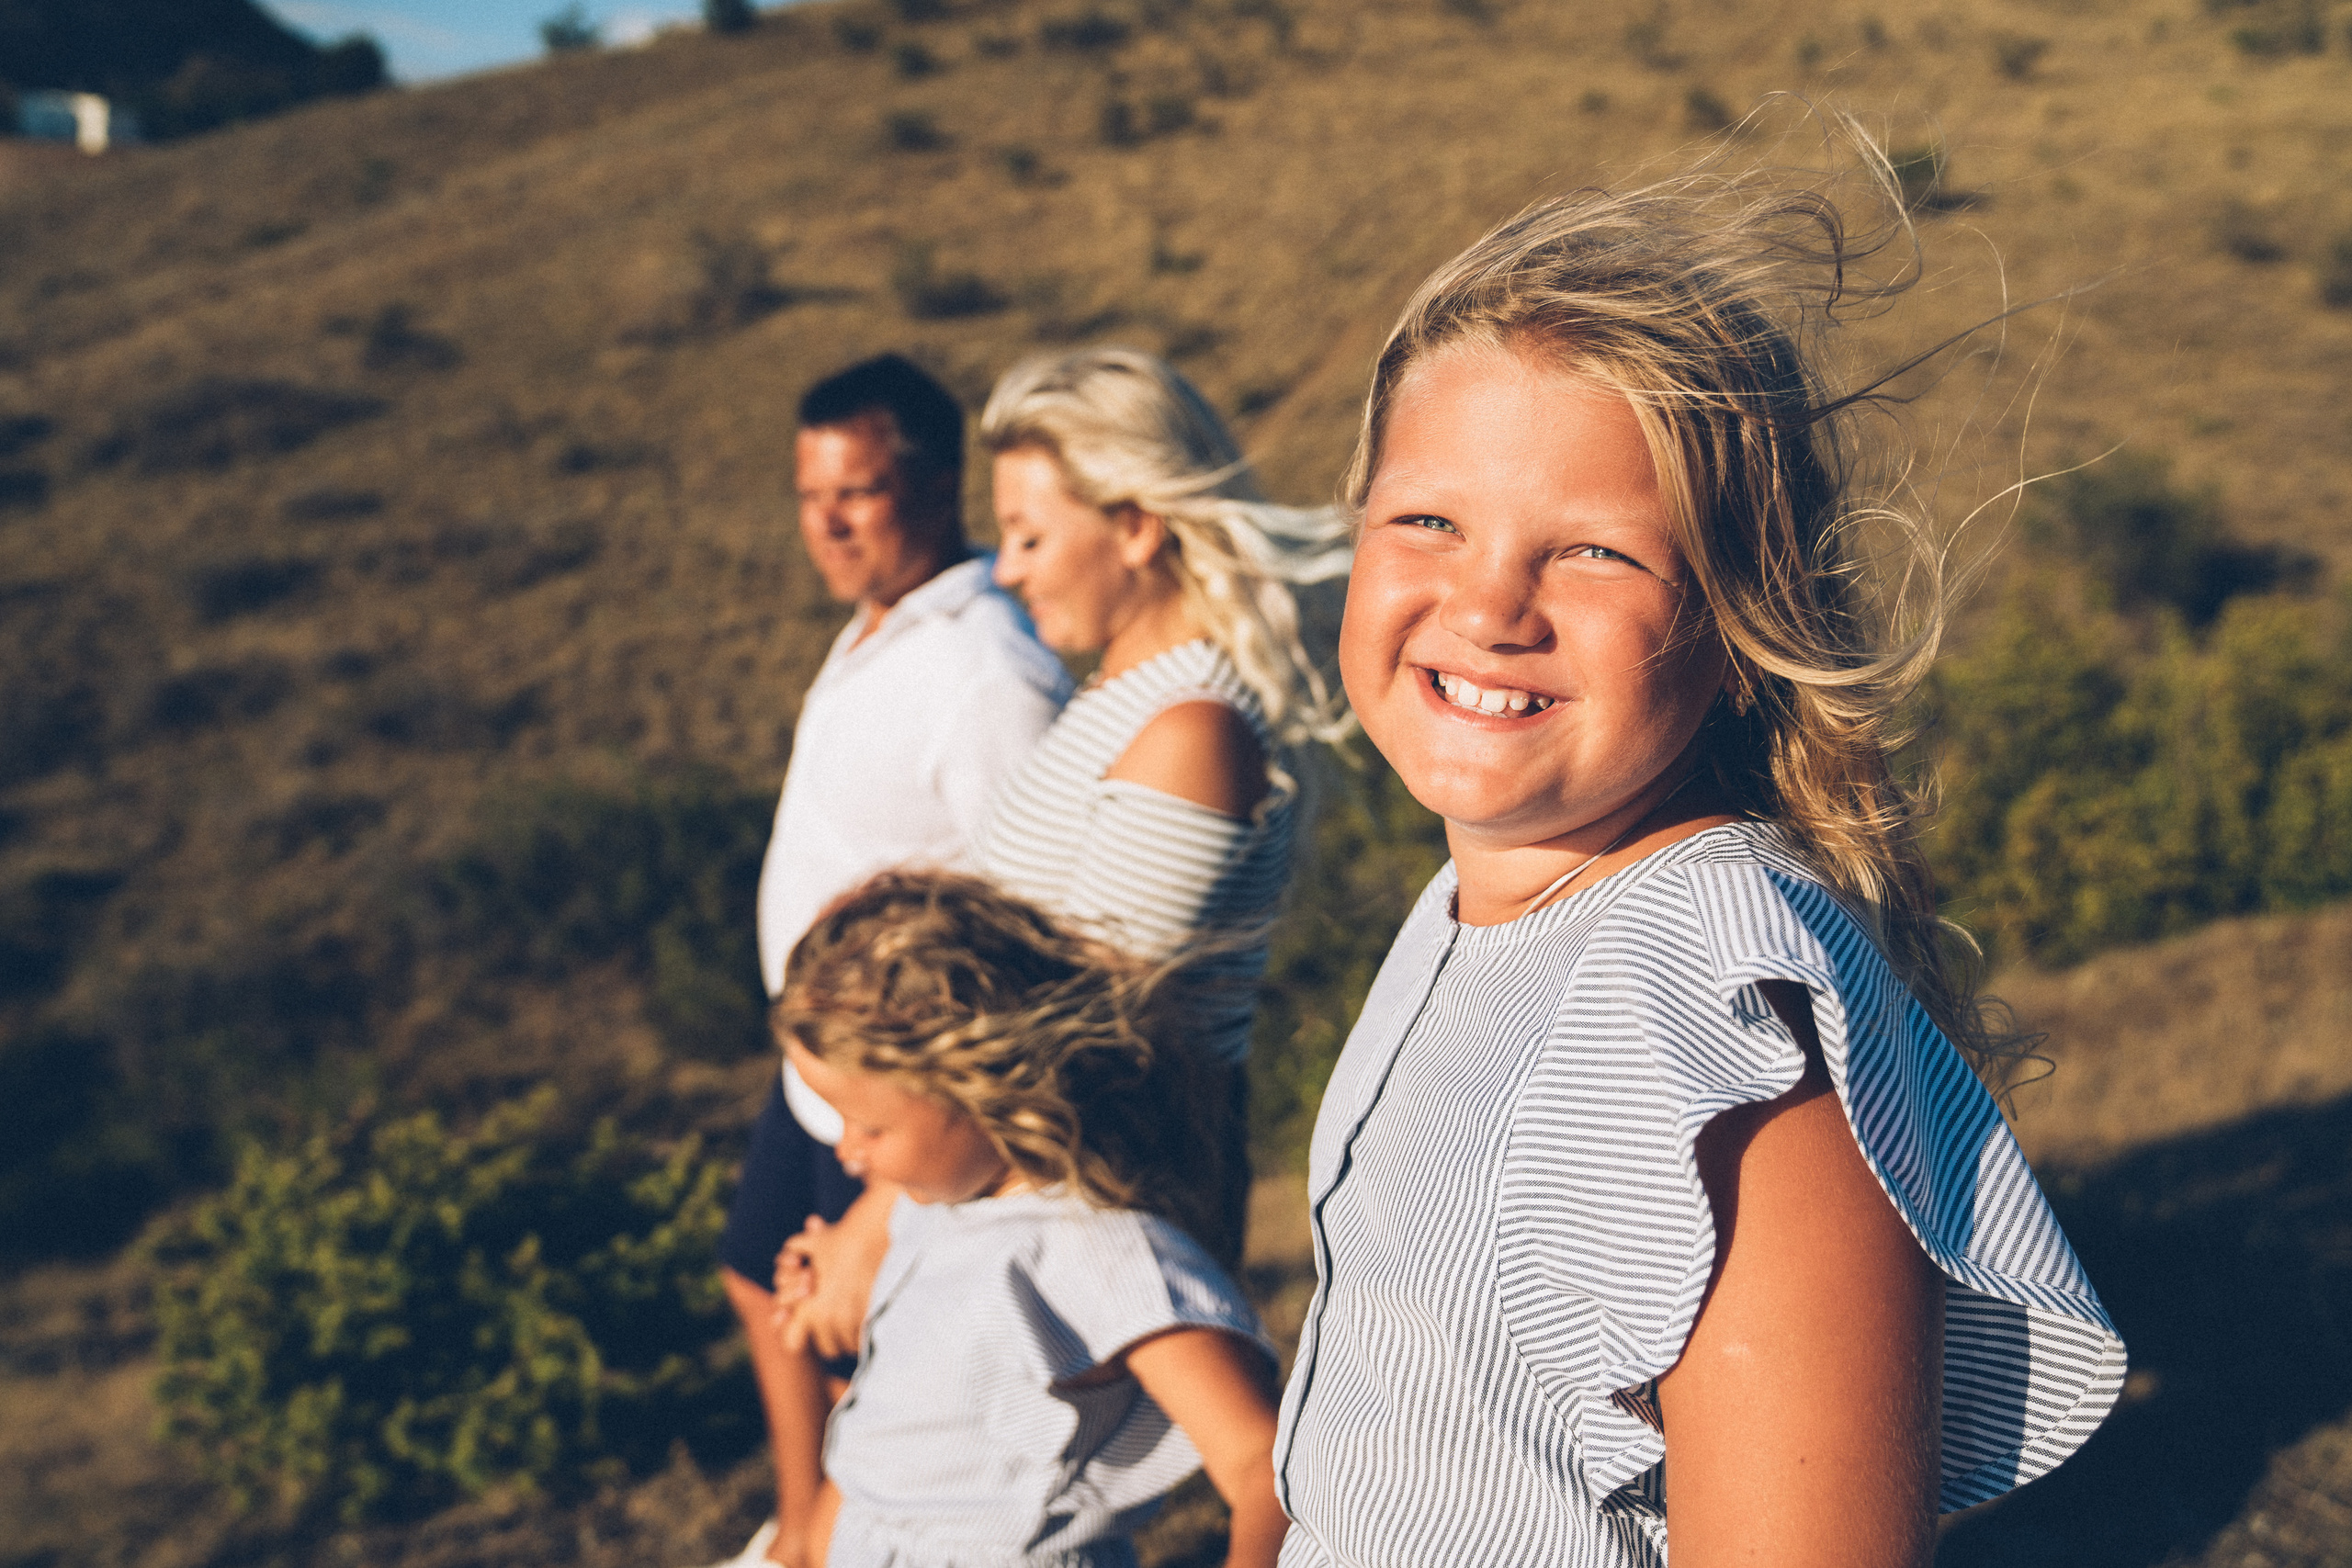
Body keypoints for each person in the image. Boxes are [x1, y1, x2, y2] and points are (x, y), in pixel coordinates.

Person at [1271, 145, 2128, 1566]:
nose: (1487, 602)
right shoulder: (1482, 900)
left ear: (1739, 626)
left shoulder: (1711, 1012)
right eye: (1428, 519)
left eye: (1595, 552)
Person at [774, 345, 1351, 1353]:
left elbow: (1080, 1042)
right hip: (1021, 1209)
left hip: (1096, 1234)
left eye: (1031, 536)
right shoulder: (1119, 703)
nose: (1004, 569)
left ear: (1135, 528)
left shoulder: (1191, 732)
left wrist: (875, 1229)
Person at [708, 354, 1071, 1568]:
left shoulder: (986, 667)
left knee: (883, 1344)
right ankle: (809, 1518)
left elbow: (1031, 907)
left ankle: (867, 1531)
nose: (826, 521)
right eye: (811, 493)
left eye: (856, 492)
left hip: (899, 1080)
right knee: (761, 1276)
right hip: (817, 1062)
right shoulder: (881, 630)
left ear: (930, 483)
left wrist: (898, 1173)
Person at [772, 871, 1286, 1568]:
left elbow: (1263, 1461)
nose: (846, 1150)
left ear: (987, 1087)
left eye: (868, 1125)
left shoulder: (1103, 1255)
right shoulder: (945, 1211)